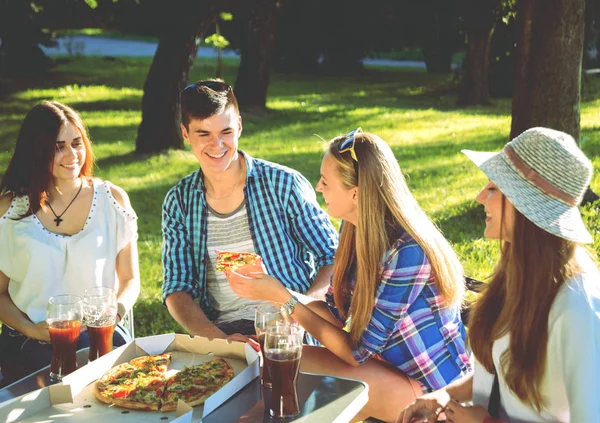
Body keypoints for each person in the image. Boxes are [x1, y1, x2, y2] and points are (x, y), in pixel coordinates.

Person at [227, 129, 472, 422]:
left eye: (326, 182)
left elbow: (356, 353)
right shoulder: (353, 230)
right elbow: (333, 314)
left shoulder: (407, 251)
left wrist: (282, 297)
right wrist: (275, 293)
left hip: (434, 394)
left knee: (292, 368)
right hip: (390, 371)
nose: (318, 187)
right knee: (277, 358)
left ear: (355, 193)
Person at [400, 127, 600, 423]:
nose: (480, 196)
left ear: (524, 206)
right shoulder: (519, 271)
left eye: (493, 188)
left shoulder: (577, 306)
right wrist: (446, 395)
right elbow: (499, 372)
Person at [161, 79, 338, 341]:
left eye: (226, 132)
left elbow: (334, 256)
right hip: (225, 331)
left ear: (240, 126)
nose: (217, 145)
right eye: (204, 134)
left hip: (290, 327)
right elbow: (176, 289)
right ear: (185, 134)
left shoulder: (284, 184)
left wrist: (303, 311)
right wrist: (219, 340)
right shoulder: (179, 202)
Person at [0, 101, 140, 385]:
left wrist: (115, 313)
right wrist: (30, 328)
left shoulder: (113, 201)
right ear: (37, 151)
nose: (71, 155)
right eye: (57, 146)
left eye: (76, 143)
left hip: (101, 333)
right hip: (32, 342)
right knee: (55, 395)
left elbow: (130, 279)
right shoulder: (9, 210)